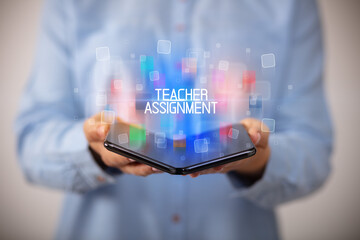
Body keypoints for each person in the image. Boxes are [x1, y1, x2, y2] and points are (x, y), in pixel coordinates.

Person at [15, 0, 333, 239]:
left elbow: (313, 150)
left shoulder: (290, 6)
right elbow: (33, 140)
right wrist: (93, 151)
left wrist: (256, 160)